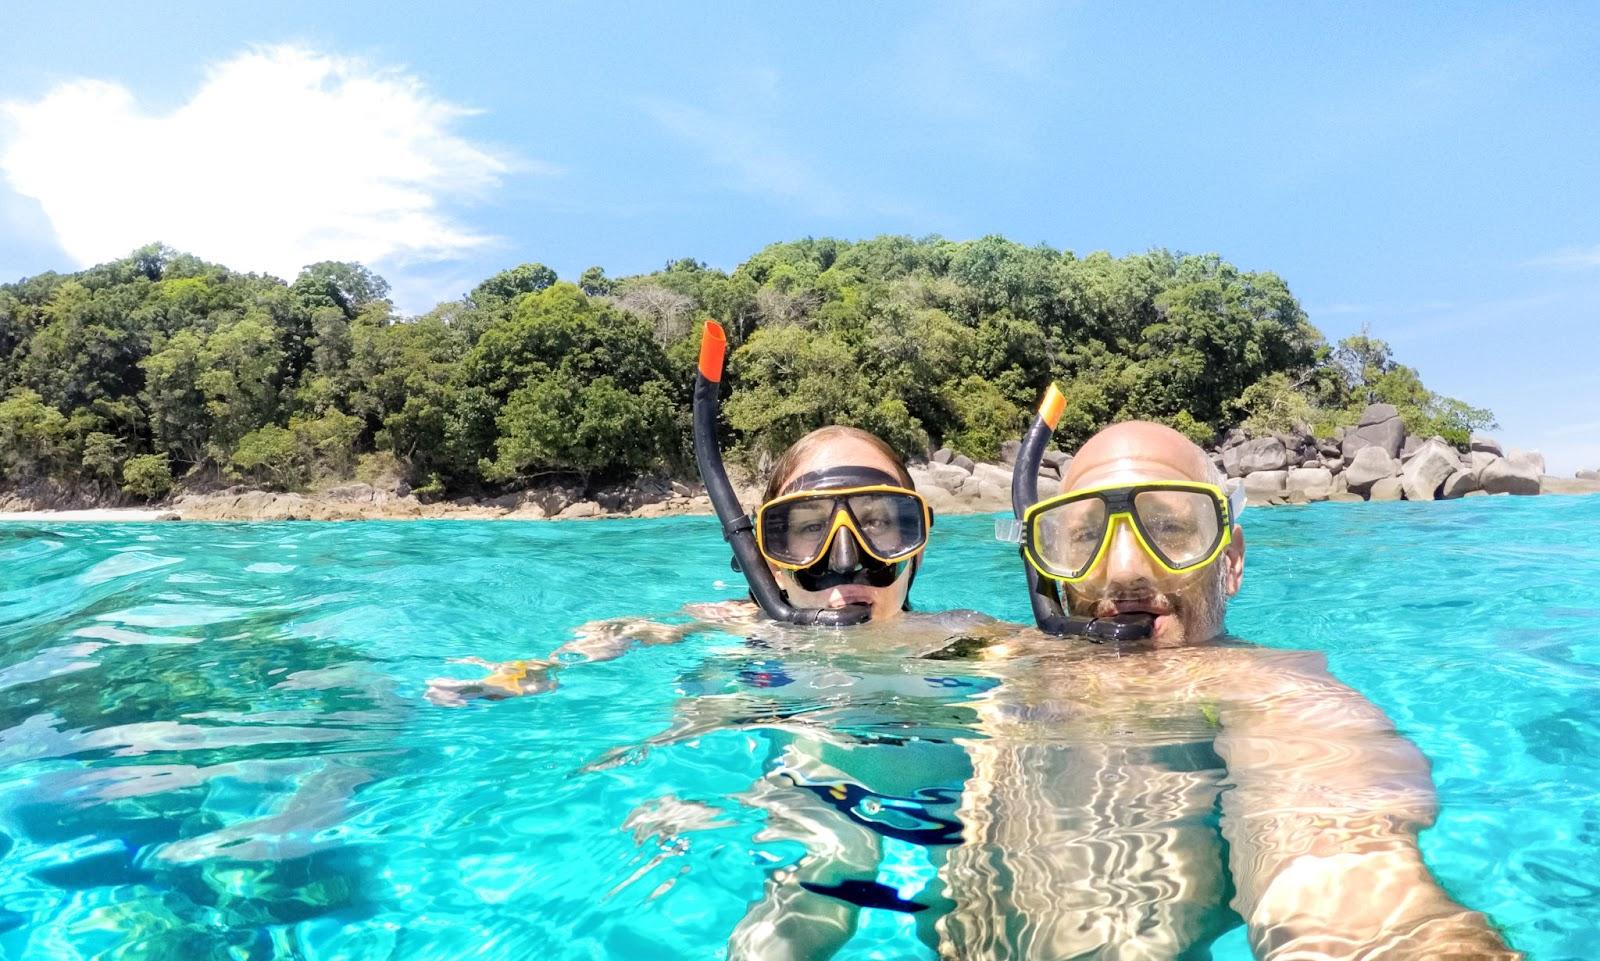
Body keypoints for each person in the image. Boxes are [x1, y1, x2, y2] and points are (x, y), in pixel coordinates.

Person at [940, 418, 1522, 959]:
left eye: (1168, 527)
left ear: (1232, 562)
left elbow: (1353, 896)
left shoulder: (1268, 692)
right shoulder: (1008, 649)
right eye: (1086, 535)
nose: (1122, 571)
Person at [428, 424, 1011, 960]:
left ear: (918, 538)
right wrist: (533, 668)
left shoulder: (967, 635)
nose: (845, 557)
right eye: (808, 528)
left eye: (881, 521)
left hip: (947, 801)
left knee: (974, 908)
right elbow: (624, 632)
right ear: (766, 555)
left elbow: (1065, 669)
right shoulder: (737, 622)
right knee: (828, 867)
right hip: (811, 789)